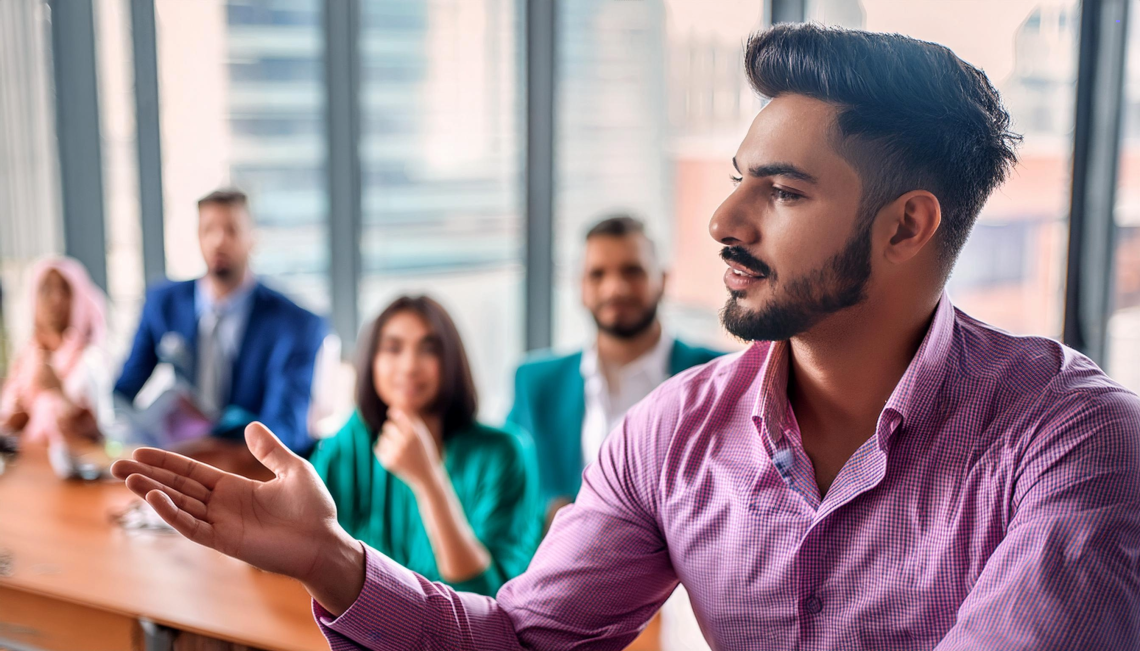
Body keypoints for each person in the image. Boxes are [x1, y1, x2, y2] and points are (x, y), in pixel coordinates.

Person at [113, 24, 1140, 650]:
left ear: (909, 224)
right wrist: (336, 564)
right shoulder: (668, 436)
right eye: (739, 177)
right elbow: (520, 641)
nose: (725, 222)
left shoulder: (1077, 446)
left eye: (781, 192)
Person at [308, 296, 540, 597]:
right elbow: (304, 541)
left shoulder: (505, 452)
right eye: (393, 348)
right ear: (370, 362)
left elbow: (486, 595)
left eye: (428, 349)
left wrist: (428, 480)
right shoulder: (351, 441)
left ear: (451, 361)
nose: (409, 366)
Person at [507, 215, 723, 529]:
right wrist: (551, 511)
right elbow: (513, 487)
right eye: (597, 274)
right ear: (581, 288)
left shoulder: (718, 375)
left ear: (662, 280)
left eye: (632, 271)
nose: (615, 288)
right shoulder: (536, 383)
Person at [114, 189, 325, 472]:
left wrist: (208, 448)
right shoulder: (163, 303)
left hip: (254, 472)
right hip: (175, 464)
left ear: (253, 239)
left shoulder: (297, 324)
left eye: (231, 230)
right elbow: (124, 390)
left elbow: (286, 430)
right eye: (208, 230)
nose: (218, 241)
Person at [0, 257, 111, 447]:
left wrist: (59, 390)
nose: (56, 299)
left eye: (64, 289)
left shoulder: (92, 356)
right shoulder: (27, 356)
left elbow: (105, 431)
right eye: (46, 289)